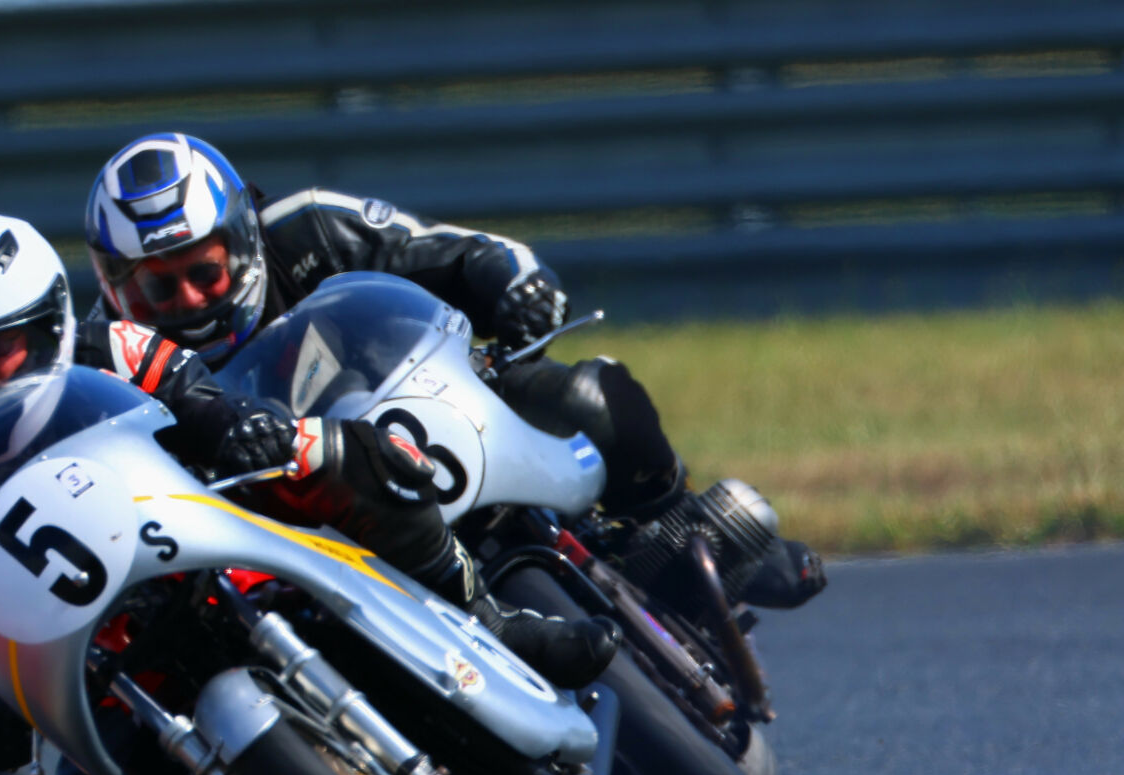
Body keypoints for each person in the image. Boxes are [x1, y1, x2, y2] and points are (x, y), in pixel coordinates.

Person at [0, 214, 617, 775]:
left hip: (233, 558)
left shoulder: (118, 348)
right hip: (117, 675)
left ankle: (488, 619)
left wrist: (254, 431)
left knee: (353, 451)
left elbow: (214, 408)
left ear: (49, 327)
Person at [83, 132, 826, 610]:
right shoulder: (104, 354)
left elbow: (454, 250)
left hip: (433, 410)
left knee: (587, 391)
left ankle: (682, 538)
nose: (188, 300)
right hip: (298, 528)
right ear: (121, 289)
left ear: (239, 245)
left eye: (206, 273)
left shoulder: (309, 226)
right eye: (159, 286)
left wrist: (515, 286)